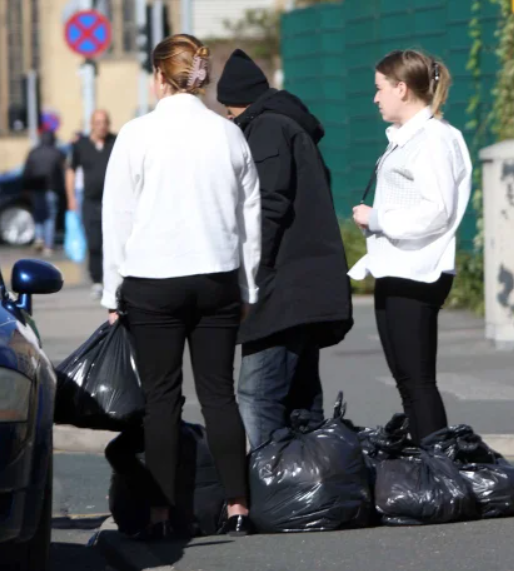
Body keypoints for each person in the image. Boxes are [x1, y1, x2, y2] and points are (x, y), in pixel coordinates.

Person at [101, 34, 262, 539]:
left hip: (152, 283)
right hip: (215, 279)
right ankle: (238, 508)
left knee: (162, 402)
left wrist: (112, 293)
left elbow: (117, 218)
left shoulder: (136, 134)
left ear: (158, 77)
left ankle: (162, 514)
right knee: (219, 395)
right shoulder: (228, 134)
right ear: (200, 78)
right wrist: (248, 288)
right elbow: (249, 219)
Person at [216, 49, 353, 450]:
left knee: (257, 396)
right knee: (301, 403)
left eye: (227, 112)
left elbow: (267, 208)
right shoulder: (290, 125)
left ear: (233, 105)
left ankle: (264, 488)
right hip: (306, 289)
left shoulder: (267, 130)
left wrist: (245, 276)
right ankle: (310, 492)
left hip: (282, 293)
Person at [349, 49, 472, 442]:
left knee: (418, 383)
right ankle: (428, 474)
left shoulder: (434, 139)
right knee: (408, 383)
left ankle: (439, 475)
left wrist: (377, 218)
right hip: (396, 268)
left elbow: (437, 210)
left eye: (380, 88)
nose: (375, 97)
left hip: (417, 271)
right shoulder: (410, 138)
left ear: (402, 89)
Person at [67, 112, 116, 300]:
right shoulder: (81, 146)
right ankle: (97, 280)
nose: (101, 126)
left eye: (104, 123)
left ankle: (114, 280)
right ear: (91, 125)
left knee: (112, 242)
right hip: (90, 202)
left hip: (112, 201)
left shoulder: (115, 142)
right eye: (98, 123)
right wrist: (71, 197)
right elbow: (71, 171)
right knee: (94, 242)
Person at [25, 130, 66, 256]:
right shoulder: (58, 153)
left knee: (38, 215)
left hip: (36, 188)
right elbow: (63, 173)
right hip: (52, 189)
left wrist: (26, 188)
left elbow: (27, 172)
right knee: (50, 217)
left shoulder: (33, 152)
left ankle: (39, 238)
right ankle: (48, 246)